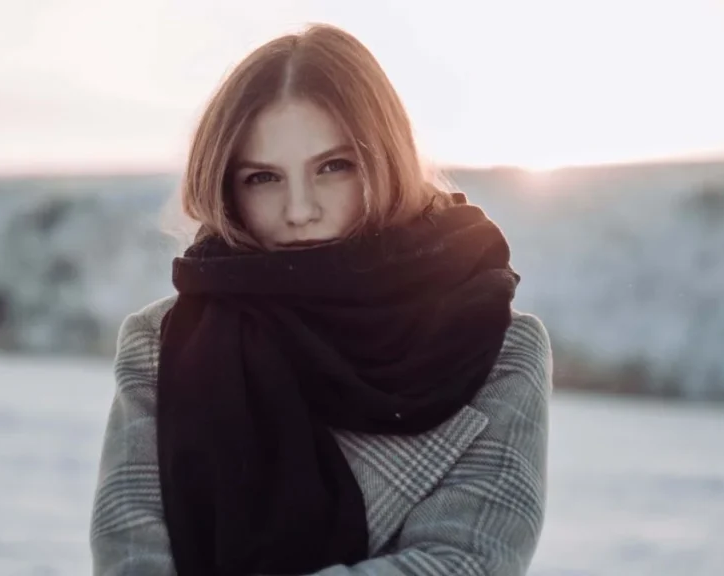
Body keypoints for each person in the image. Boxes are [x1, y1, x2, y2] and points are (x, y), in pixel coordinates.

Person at [90, 22, 552, 576]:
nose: (299, 209)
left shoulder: (495, 344)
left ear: (385, 162)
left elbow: (469, 560)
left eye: (334, 167)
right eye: (263, 177)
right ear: (225, 188)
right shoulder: (163, 342)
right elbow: (131, 554)